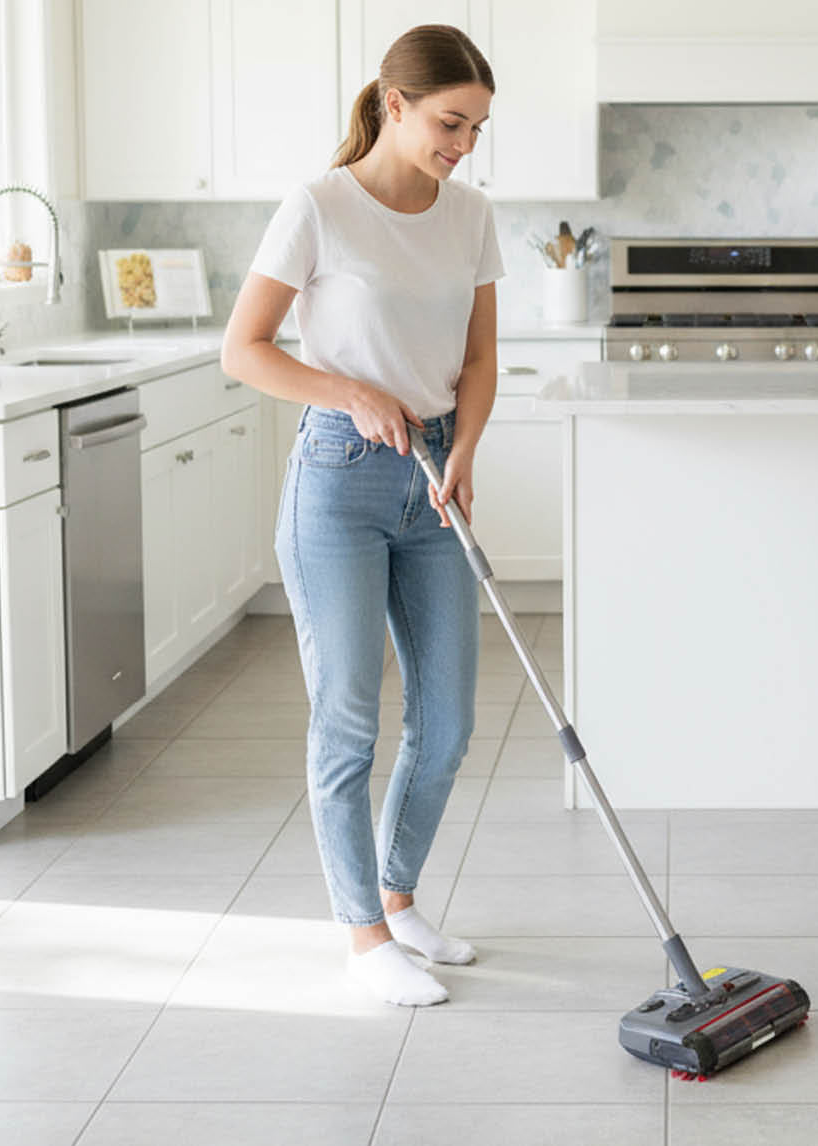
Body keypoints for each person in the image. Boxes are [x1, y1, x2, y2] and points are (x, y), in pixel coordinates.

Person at [220, 24, 502, 1007]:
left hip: (433, 479)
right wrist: (347, 391)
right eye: (449, 123)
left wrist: (464, 448)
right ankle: (363, 934)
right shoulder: (319, 207)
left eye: (476, 128)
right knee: (347, 717)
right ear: (394, 103)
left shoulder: (469, 214)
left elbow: (479, 358)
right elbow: (244, 349)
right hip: (338, 479)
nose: (463, 145)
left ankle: (399, 897)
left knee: (447, 721)